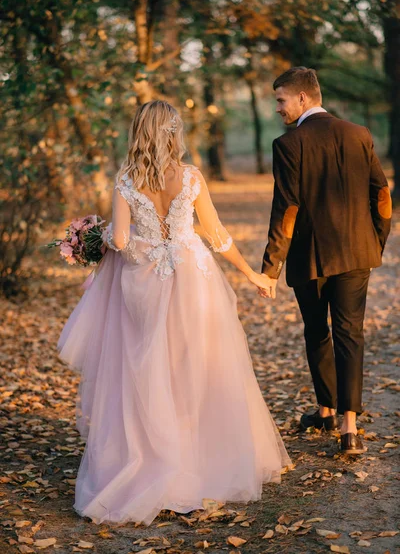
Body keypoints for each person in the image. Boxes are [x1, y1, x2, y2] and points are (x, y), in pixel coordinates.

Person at [58, 100, 291, 526]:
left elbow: (123, 240)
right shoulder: (192, 178)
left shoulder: (126, 180)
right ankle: (196, 463)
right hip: (192, 280)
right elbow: (217, 236)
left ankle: (154, 460)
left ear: (139, 132)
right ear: (172, 132)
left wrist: (98, 235)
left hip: (144, 285)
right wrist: (251, 274)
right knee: (194, 369)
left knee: (148, 371)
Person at [260, 67, 392, 455]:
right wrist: (375, 243)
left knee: (317, 331)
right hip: (357, 253)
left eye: (281, 100)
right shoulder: (359, 134)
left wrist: (271, 268)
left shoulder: (289, 145)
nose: (278, 109)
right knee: (350, 334)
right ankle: (347, 428)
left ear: (303, 98)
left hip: (310, 256)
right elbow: (381, 195)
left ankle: (327, 410)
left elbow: (287, 210)